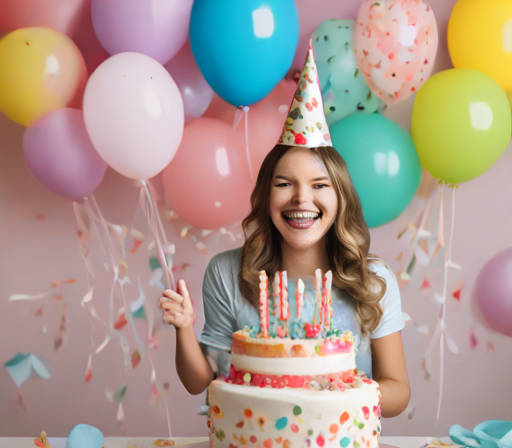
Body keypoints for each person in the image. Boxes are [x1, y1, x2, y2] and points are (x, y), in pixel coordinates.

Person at [157, 41, 410, 418]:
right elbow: (202, 383)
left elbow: (397, 393)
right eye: (284, 183)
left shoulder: (374, 280)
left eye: (319, 185)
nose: (301, 199)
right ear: (265, 195)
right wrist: (184, 329)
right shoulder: (228, 274)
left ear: (339, 198)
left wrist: (336, 389)